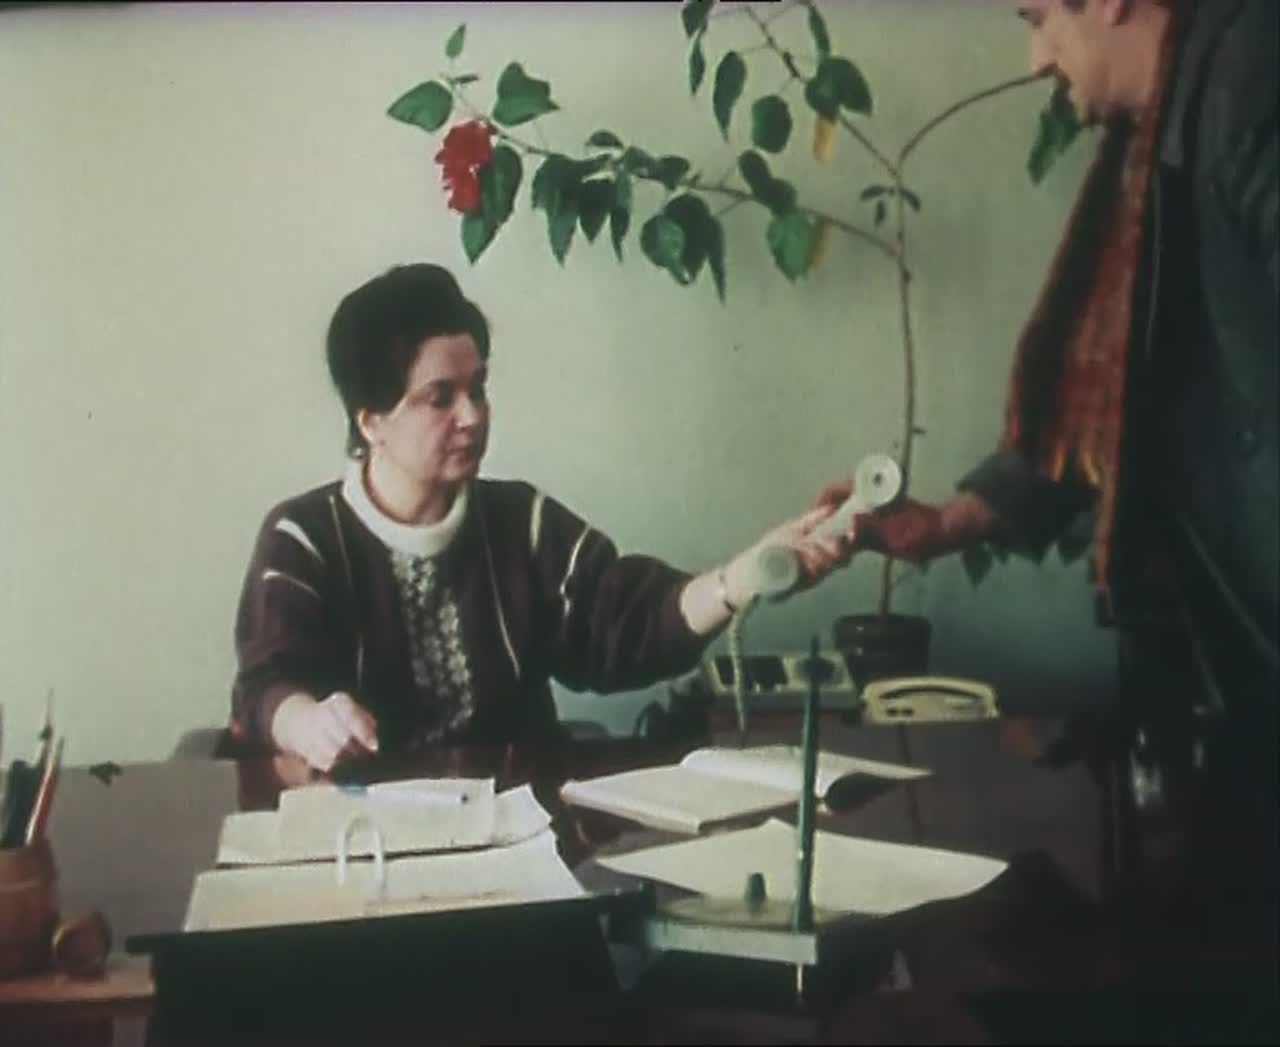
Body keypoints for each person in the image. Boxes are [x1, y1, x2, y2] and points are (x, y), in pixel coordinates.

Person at [823, 0, 1276, 910]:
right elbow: (1122, 389)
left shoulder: (1255, 78)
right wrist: (946, 523)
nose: (1036, 60)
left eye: (1039, 18)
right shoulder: (1176, 115)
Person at [230, 263, 845, 772]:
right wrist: (307, 722)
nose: (473, 416)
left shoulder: (522, 523)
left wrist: (743, 578)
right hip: (363, 840)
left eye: (478, 388)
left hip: (518, 834)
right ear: (371, 422)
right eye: (441, 398)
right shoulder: (303, 539)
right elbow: (264, 685)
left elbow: (628, 624)